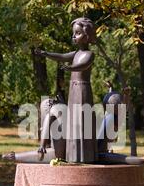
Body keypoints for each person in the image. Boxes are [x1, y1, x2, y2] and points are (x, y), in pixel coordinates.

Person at [35, 17, 98, 163]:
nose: (74, 36)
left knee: (82, 120)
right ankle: (73, 155)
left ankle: (85, 156)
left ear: (87, 35)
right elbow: (62, 56)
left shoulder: (89, 54)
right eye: (73, 33)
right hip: (74, 91)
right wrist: (46, 54)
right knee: (74, 122)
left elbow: (83, 65)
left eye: (77, 33)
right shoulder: (75, 53)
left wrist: (70, 68)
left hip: (83, 90)